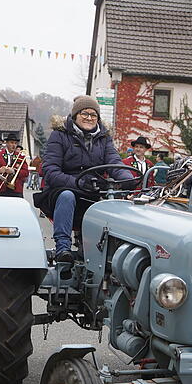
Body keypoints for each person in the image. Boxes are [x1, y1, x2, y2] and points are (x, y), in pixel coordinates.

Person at [40, 95, 131, 262]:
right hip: (63, 189)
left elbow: (114, 161)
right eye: (85, 113)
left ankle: (106, 254)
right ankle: (63, 247)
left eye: (93, 115)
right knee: (67, 196)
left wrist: (128, 179)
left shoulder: (104, 138)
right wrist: (77, 183)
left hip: (93, 190)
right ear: (75, 115)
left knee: (115, 202)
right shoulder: (59, 135)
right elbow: (50, 170)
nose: (89, 118)